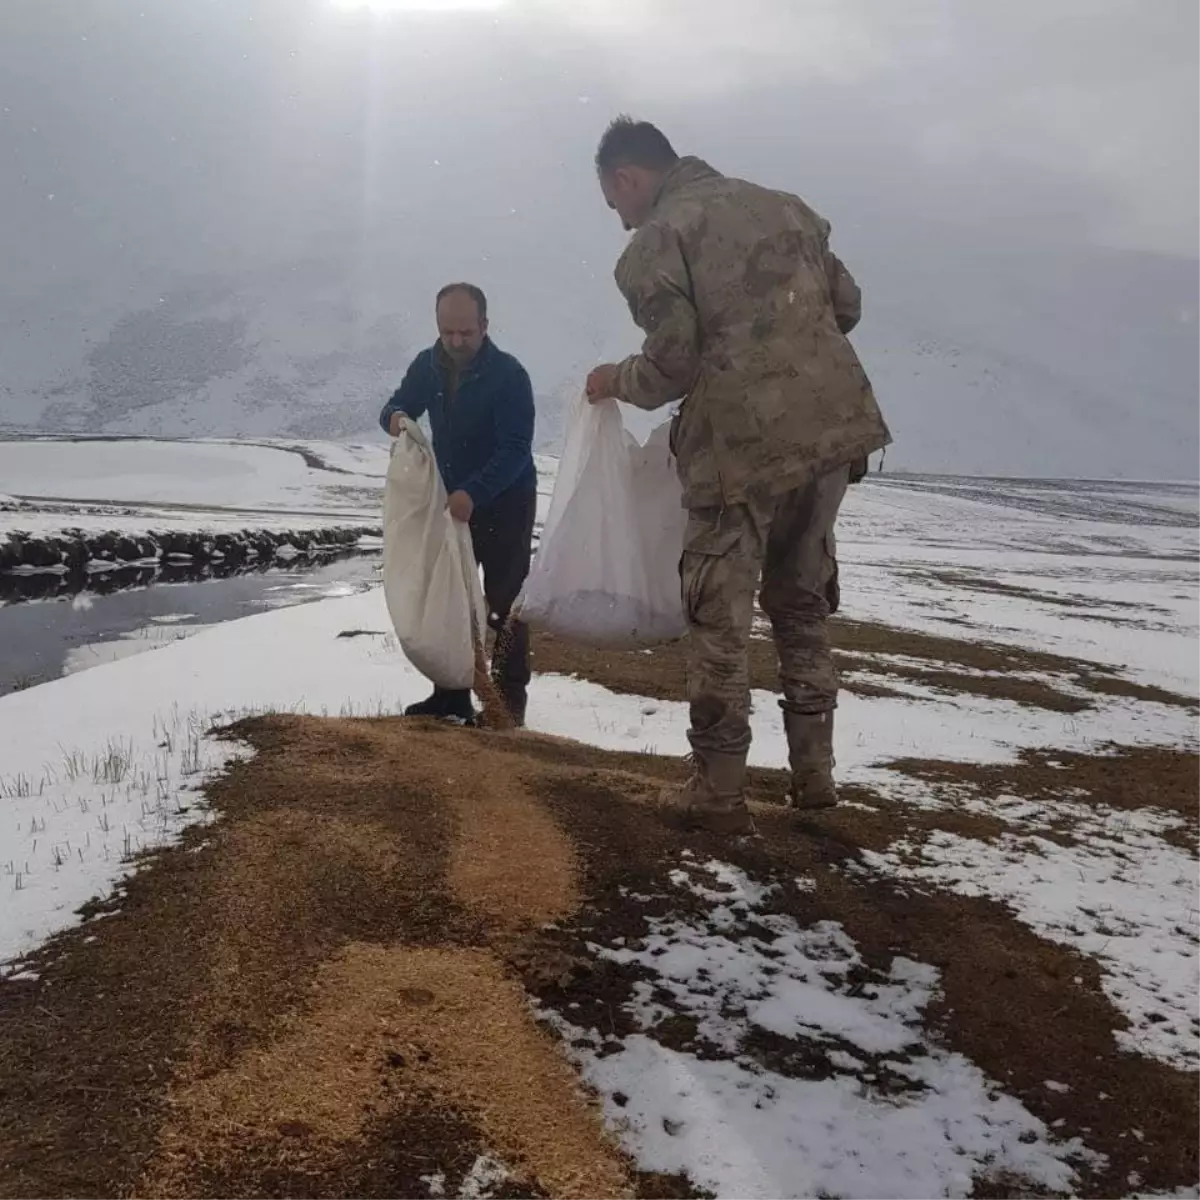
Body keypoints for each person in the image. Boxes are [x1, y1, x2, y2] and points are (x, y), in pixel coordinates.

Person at [586, 118, 891, 835]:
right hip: (829, 436)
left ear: (629, 179)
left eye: (615, 205)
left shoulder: (658, 241)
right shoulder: (786, 207)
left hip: (740, 453)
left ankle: (717, 793)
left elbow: (673, 365)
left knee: (719, 620)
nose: (621, 221)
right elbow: (847, 306)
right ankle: (815, 783)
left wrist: (614, 380)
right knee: (801, 605)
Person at [380, 283, 537, 726]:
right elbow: (397, 403)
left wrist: (475, 492)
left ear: (485, 327)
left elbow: (516, 448)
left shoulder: (510, 375)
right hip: (450, 504)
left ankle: (507, 705)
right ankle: (450, 694)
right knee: (450, 597)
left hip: (506, 501)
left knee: (505, 603)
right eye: (447, 331)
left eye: (466, 332)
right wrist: (394, 417)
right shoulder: (426, 366)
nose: (456, 342)